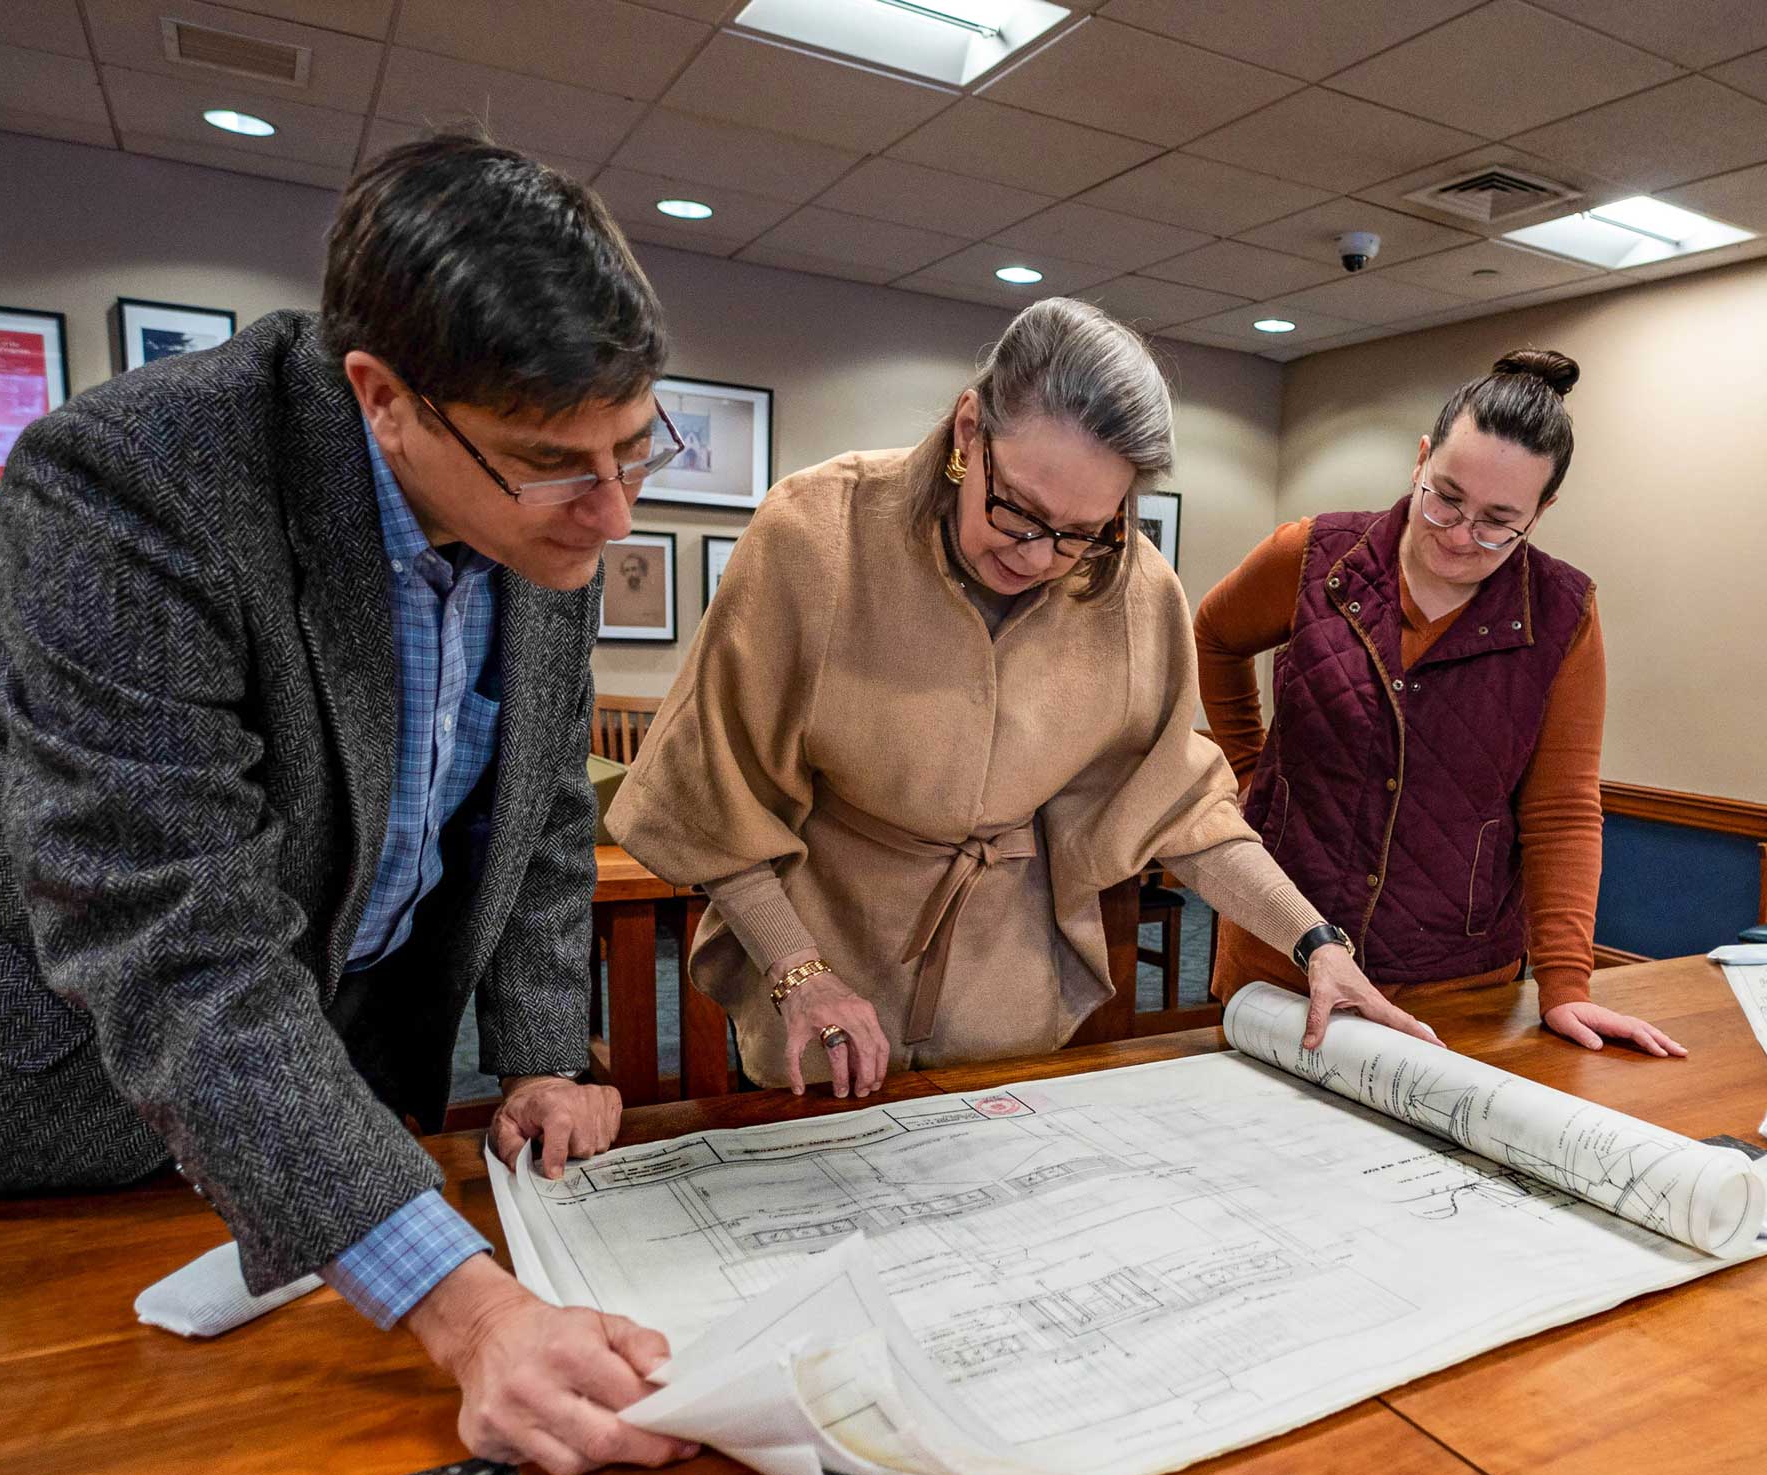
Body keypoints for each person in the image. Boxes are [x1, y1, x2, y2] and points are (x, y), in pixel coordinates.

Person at [0, 136, 698, 1475]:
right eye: (555, 462)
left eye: (637, 448)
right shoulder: (137, 482)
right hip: (20, 1125)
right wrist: (469, 1314)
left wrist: (539, 1048)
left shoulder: (549, 510)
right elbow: (176, 942)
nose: (610, 511)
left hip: (309, 1117)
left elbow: (532, 805)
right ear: (383, 397)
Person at [608, 298, 1434, 1097]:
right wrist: (797, 970)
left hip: (1013, 979)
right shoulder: (818, 536)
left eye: (1083, 531)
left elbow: (1186, 810)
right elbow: (714, 795)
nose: (1041, 557)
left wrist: (1315, 942)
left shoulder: (1134, 590)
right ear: (970, 431)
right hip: (828, 952)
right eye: (1020, 514)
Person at [1195, 350, 1684, 1058]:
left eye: (1497, 522)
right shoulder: (1313, 555)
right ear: (1421, 460)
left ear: (1541, 513)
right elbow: (1213, 635)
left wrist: (1566, 985)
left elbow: (1562, 811)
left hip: (1454, 990)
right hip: (1281, 965)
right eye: (1446, 498)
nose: (1459, 535)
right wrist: (1248, 768)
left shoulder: (1563, 615)